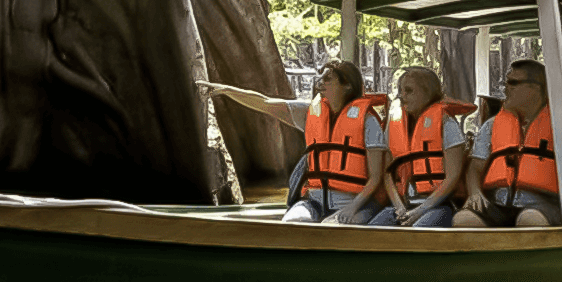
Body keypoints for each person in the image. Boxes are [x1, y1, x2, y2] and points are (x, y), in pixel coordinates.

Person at [199, 61, 388, 224]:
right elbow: (264, 103)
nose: (320, 84)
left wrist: (352, 208)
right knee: (293, 223)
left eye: (327, 79)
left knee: (335, 226)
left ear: (347, 85)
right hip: (314, 202)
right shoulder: (308, 113)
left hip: (354, 204)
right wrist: (224, 90)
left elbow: (376, 177)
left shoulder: (367, 121)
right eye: (320, 79)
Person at [454, 59, 562, 227]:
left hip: (546, 204)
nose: (506, 88)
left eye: (513, 83)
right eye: (506, 82)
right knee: (463, 220)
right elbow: (475, 167)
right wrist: (474, 193)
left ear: (535, 88)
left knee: (529, 219)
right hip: (499, 203)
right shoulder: (492, 124)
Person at [370, 67, 474, 228]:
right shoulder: (394, 123)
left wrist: (420, 210)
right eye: (400, 90)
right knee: (372, 232)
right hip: (403, 205)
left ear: (428, 93)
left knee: (417, 231)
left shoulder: (447, 123)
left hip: (440, 206)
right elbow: (388, 172)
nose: (401, 96)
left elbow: (453, 176)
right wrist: (399, 207)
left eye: (409, 91)